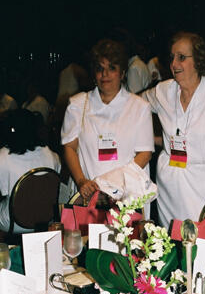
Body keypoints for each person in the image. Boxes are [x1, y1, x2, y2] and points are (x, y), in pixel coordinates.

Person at [142, 31, 205, 228]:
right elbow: (134, 106)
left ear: (198, 59)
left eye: (181, 57)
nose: (174, 64)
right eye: (172, 58)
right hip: (169, 184)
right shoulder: (163, 90)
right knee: (172, 242)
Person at [61, 38, 154, 200]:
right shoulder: (77, 104)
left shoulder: (140, 107)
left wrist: (115, 185)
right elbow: (69, 147)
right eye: (100, 68)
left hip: (125, 194)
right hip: (88, 193)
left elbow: (145, 153)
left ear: (123, 73)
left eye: (112, 68)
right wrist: (81, 180)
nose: (105, 74)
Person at [0, 109, 60, 234]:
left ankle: (1, 242)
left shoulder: (0, 157)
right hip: (47, 220)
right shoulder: (51, 154)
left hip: (14, 223)